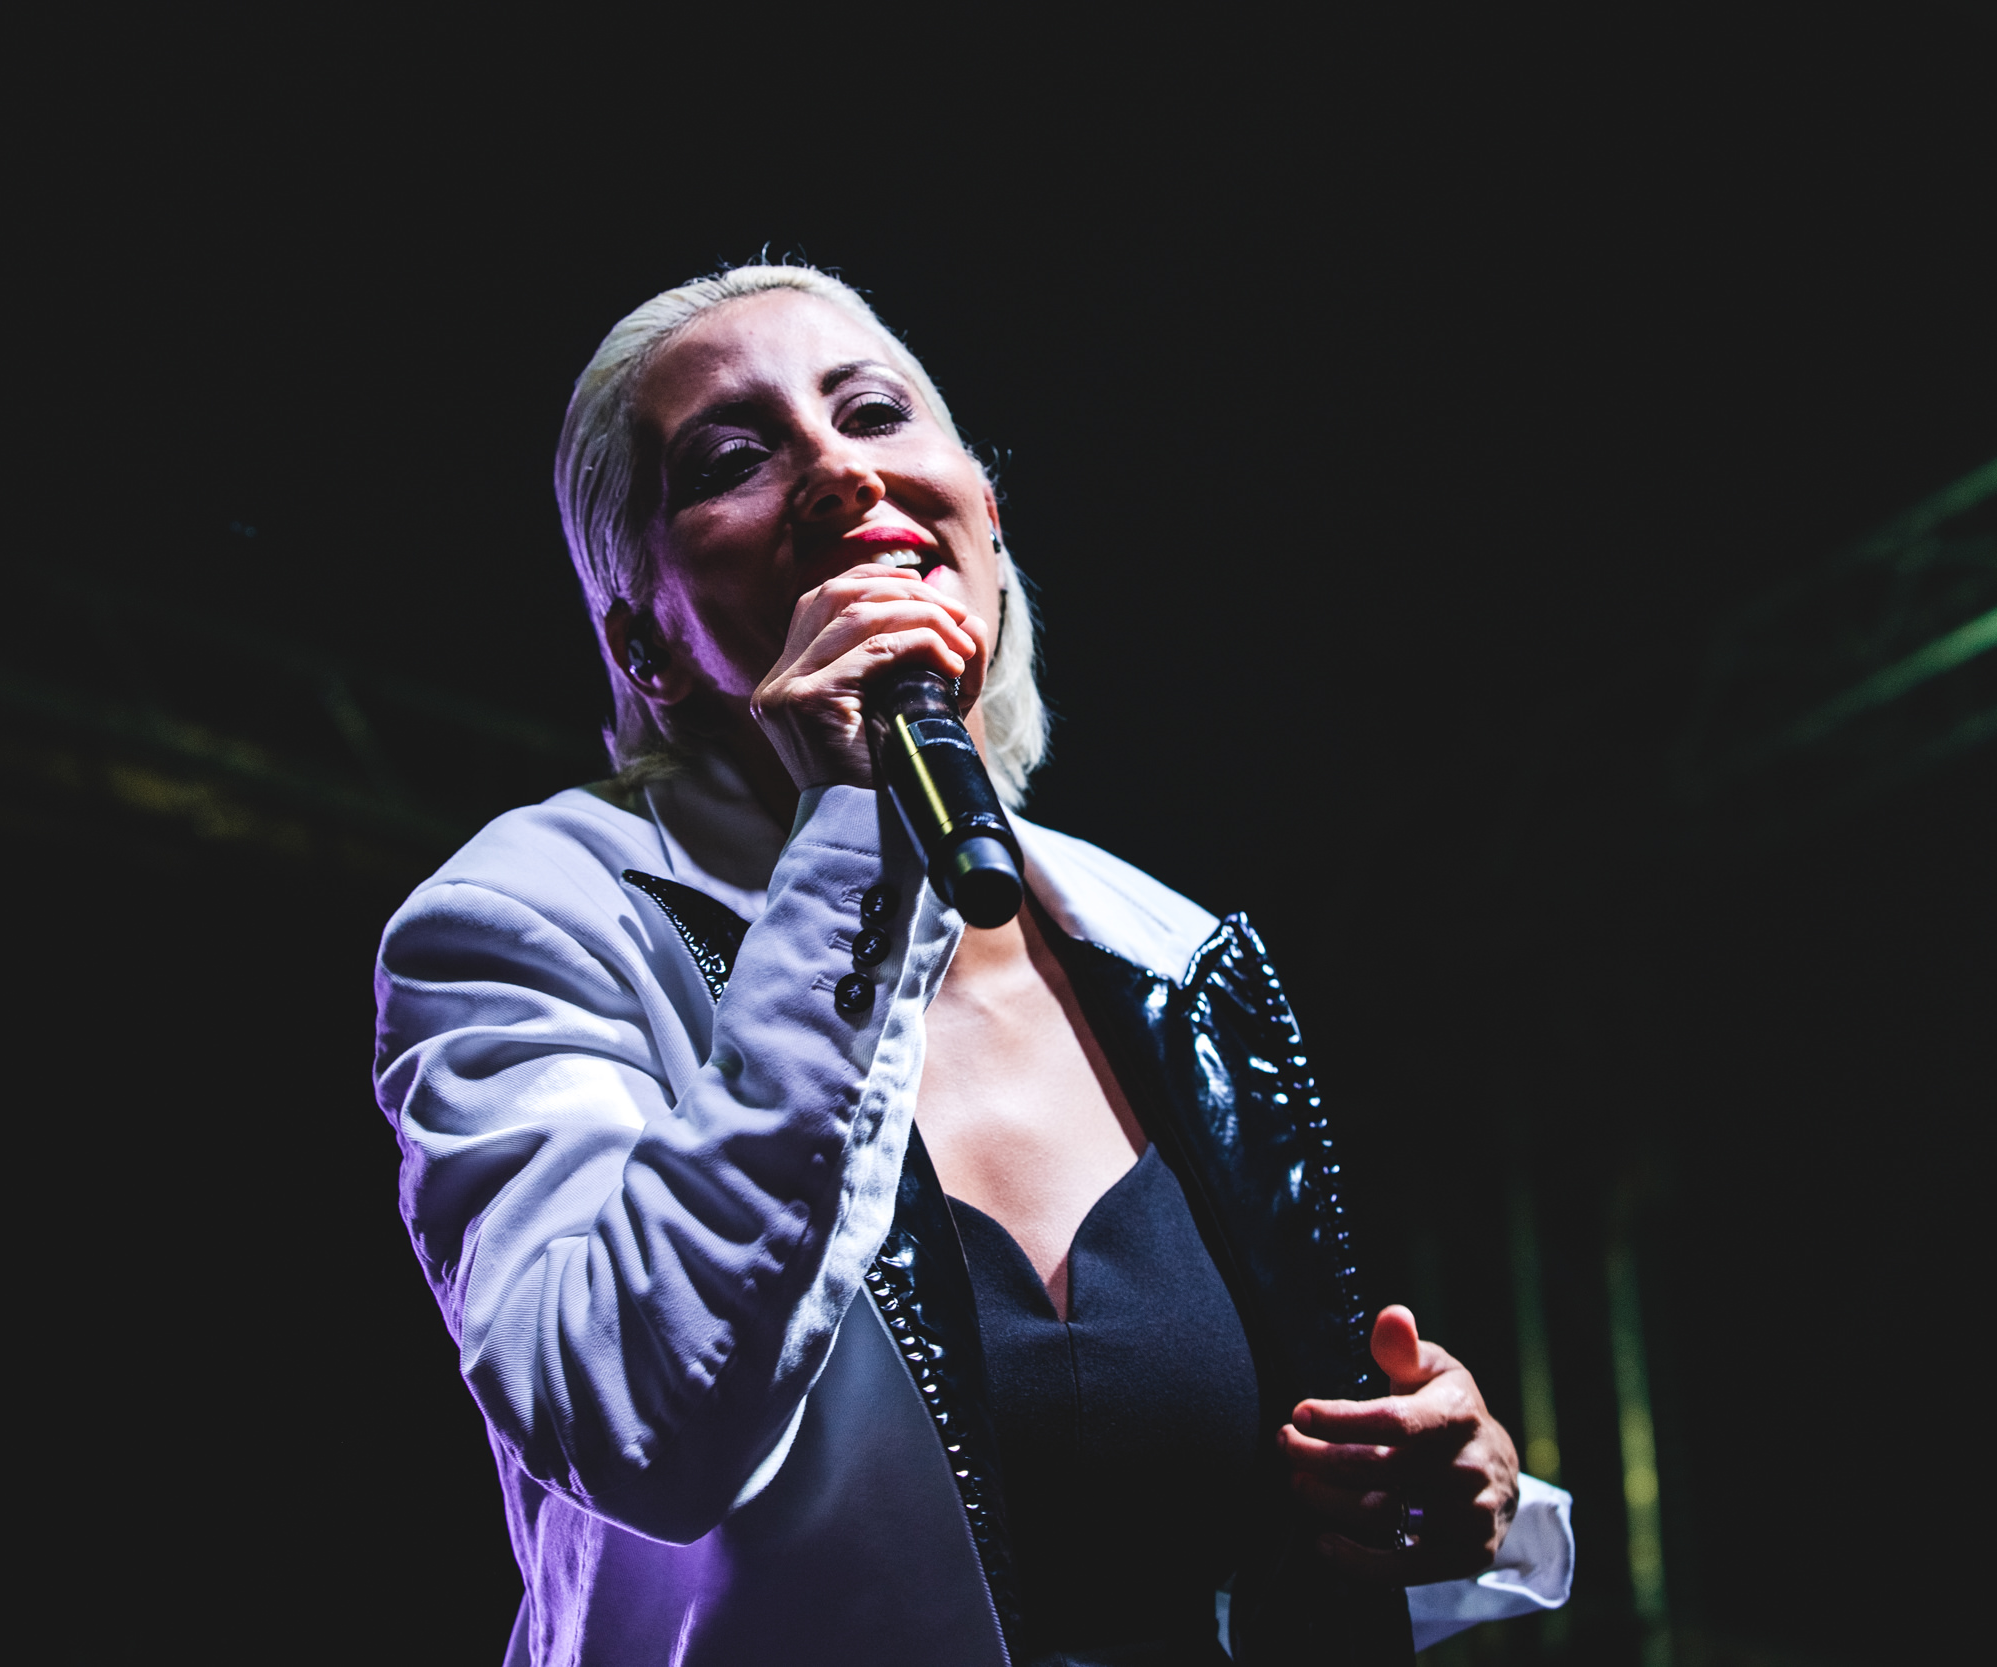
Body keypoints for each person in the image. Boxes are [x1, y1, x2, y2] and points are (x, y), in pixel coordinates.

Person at [371, 265, 1573, 1667]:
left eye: (875, 412)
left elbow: (1252, 1526)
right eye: (734, 459)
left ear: (982, 518)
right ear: (646, 643)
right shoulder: (526, 920)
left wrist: (1428, 1487)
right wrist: (847, 835)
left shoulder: (1167, 951)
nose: (837, 469)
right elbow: (630, 1421)